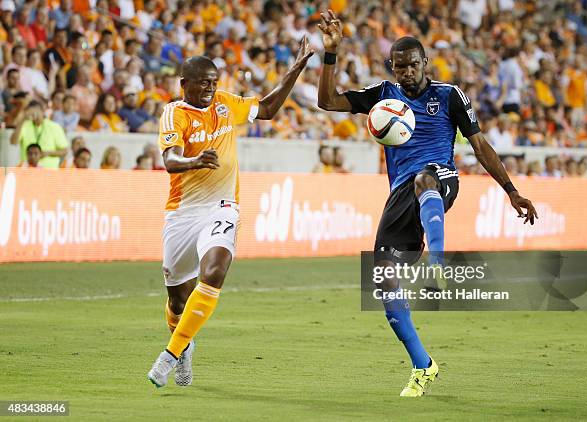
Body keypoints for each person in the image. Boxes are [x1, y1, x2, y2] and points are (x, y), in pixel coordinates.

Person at [316, 11, 537, 398]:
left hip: (439, 178)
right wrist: (330, 54)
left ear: (425, 64)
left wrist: (511, 190)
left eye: (412, 65)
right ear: (393, 67)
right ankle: (423, 365)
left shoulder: (449, 95)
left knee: (424, 179)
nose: (406, 73)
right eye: (399, 67)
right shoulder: (383, 94)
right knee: (383, 282)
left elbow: (480, 145)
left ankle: (439, 263)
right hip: (401, 193)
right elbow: (328, 102)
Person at [147, 38, 315, 388]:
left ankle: (170, 354)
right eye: (203, 82)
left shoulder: (224, 104)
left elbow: (267, 109)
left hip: (223, 206)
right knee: (178, 297)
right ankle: (185, 343)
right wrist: (194, 161)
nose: (210, 88)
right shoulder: (174, 113)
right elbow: (169, 160)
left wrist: (296, 68)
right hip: (183, 211)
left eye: (214, 81)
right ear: (184, 84)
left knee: (215, 271)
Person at [10, 100, 68, 168]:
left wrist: (48, 153)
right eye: (30, 111)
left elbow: (65, 151)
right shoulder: (25, 125)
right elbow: (13, 142)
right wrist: (23, 120)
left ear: (42, 111)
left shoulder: (54, 126)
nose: (33, 113)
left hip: (49, 171)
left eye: (35, 111)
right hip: (27, 171)